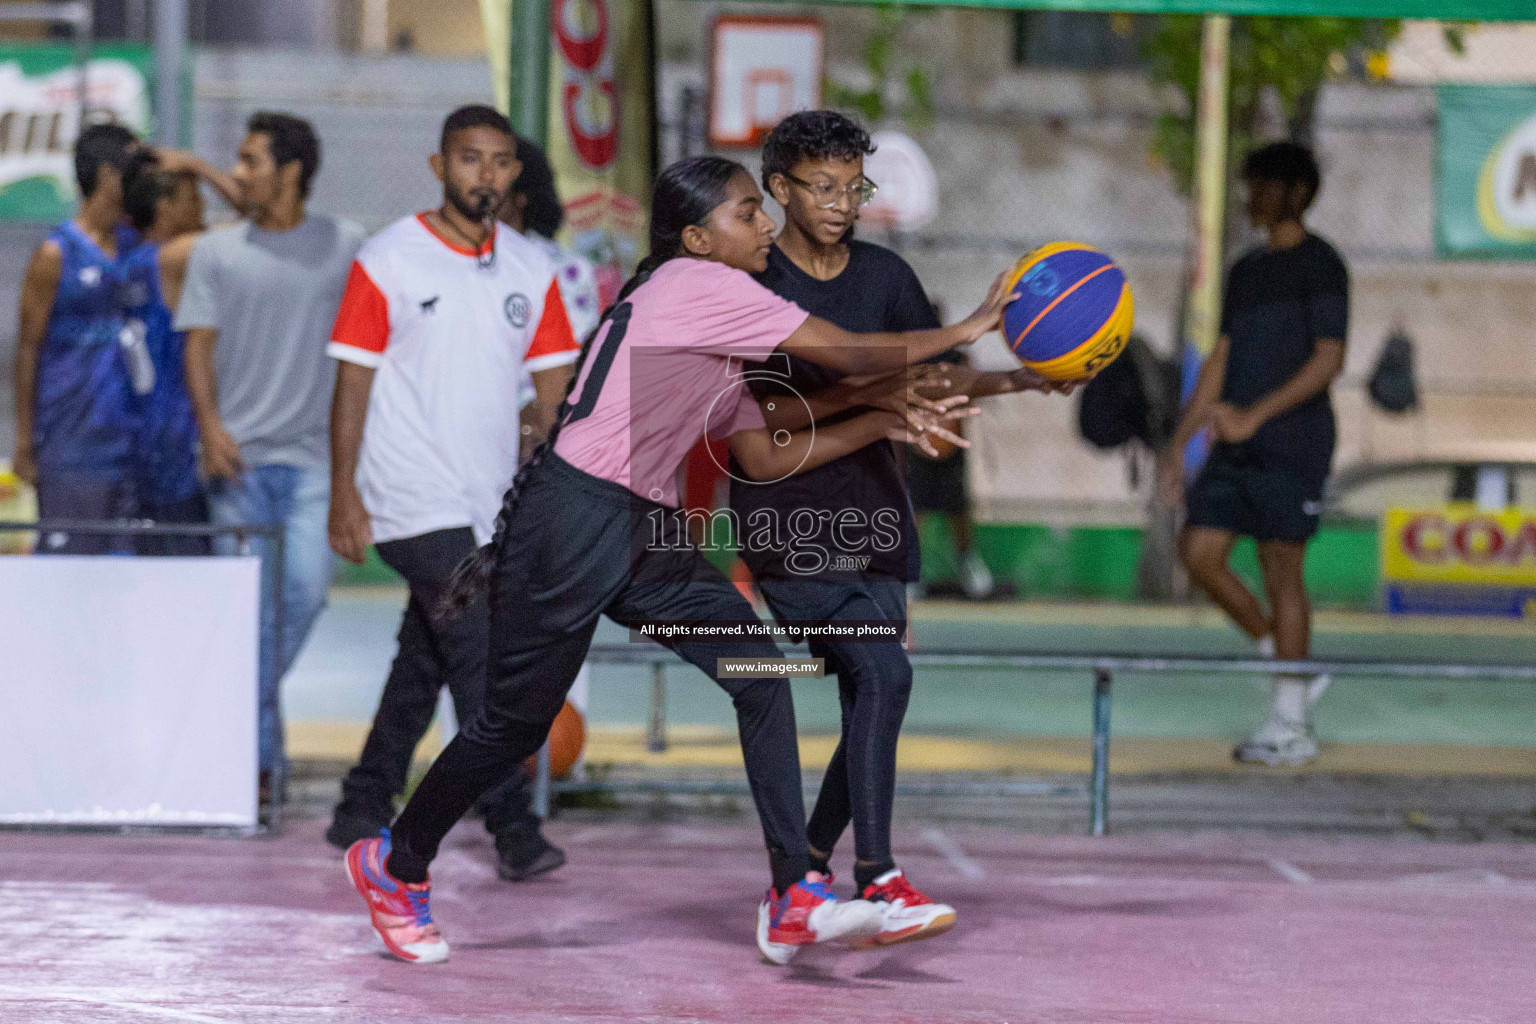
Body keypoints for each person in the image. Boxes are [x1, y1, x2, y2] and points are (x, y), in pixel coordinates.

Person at [343, 154, 1011, 966]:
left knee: (760, 674)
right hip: (576, 517)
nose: (765, 222)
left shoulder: (705, 319)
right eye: (745, 213)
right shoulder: (703, 287)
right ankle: (394, 860)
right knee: (511, 725)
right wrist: (966, 331)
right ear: (698, 237)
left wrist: (884, 423)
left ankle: (796, 893)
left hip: (643, 530)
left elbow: (763, 455)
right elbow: (848, 354)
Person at [732, 111, 1062, 951]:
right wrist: (885, 401)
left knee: (869, 697)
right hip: (788, 523)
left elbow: (933, 377)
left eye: (854, 186)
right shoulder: (749, 279)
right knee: (886, 675)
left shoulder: (886, 275)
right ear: (779, 188)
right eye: (823, 186)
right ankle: (876, 874)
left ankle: (796, 884)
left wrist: (1020, 381)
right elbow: (773, 411)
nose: (843, 203)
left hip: (876, 515)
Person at [324, 107, 580, 885]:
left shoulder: (533, 269)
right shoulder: (388, 258)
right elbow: (351, 381)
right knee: (480, 656)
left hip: (485, 500)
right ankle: (511, 825)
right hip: (408, 493)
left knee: (425, 656)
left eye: (501, 162)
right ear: (440, 167)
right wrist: (345, 492)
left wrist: (552, 472)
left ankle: (361, 801)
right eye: (470, 160)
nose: (487, 176)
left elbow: (556, 390)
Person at [176, 112, 367, 793]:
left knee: (304, 599)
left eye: (252, 161)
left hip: (318, 466)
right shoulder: (215, 252)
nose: (240, 173)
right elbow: (196, 345)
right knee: (246, 619)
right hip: (240, 464)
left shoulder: (347, 245)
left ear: (290, 173)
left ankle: (223, 730)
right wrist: (211, 428)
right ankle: (257, 770)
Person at [1159, 142, 1348, 767]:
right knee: (1200, 554)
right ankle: (1288, 663)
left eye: (1256, 186)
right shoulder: (1245, 270)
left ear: (1289, 192)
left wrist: (1255, 415)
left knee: (1280, 571)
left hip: (1293, 442)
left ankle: (1290, 726)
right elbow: (1223, 358)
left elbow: (1329, 359)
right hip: (1234, 441)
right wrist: (1179, 442)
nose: (1247, 198)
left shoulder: (1323, 266)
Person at [10, 124, 142, 553]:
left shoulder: (136, 246)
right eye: (133, 168)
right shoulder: (56, 254)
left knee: (131, 583)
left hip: (134, 446)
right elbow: (28, 349)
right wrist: (25, 441)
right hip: (72, 446)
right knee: (67, 581)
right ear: (107, 175)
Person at [119, 149, 241, 554]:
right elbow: (263, 218)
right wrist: (199, 165)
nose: (204, 205)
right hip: (176, 440)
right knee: (195, 575)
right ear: (165, 207)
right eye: (193, 197)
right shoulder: (179, 255)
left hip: (138, 437)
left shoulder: (129, 257)